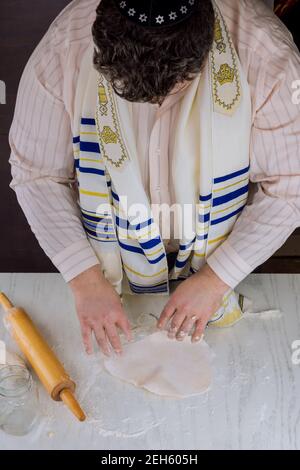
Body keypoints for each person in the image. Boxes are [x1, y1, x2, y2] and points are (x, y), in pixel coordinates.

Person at [9, 0, 300, 356]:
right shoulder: (63, 48)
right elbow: (36, 174)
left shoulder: (265, 52)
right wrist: (84, 280)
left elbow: (291, 185)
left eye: (172, 91)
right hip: (108, 261)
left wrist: (214, 280)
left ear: (204, 48)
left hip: (218, 254)